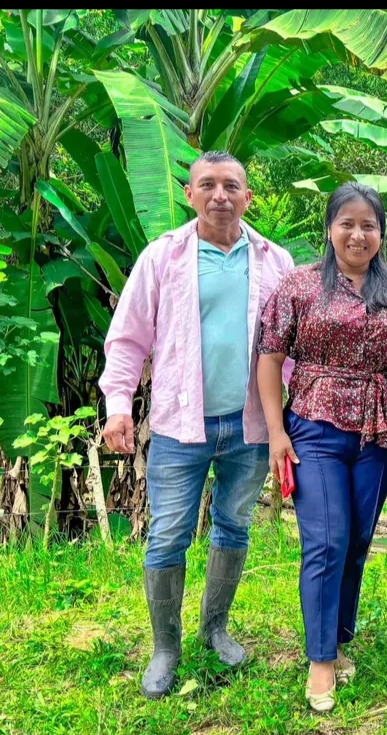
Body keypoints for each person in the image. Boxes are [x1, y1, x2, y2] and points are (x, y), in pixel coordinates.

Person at [100, 151, 294, 699]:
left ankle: (215, 630)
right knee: (168, 535)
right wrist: (118, 404)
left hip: (249, 425)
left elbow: (291, 345)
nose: (219, 195)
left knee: (234, 525)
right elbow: (128, 337)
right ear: (189, 194)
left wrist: (289, 416)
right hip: (179, 426)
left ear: (248, 197)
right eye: (207, 185)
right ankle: (166, 649)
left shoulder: (274, 261)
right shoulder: (163, 257)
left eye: (231, 186)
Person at [257, 183, 387, 712]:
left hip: (378, 431)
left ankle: (339, 636)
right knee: (326, 540)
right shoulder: (301, 285)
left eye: (369, 225)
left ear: (381, 233)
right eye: (347, 223)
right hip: (314, 425)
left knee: (357, 540)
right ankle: (321, 659)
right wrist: (277, 432)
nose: (358, 234)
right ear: (329, 228)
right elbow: (270, 357)